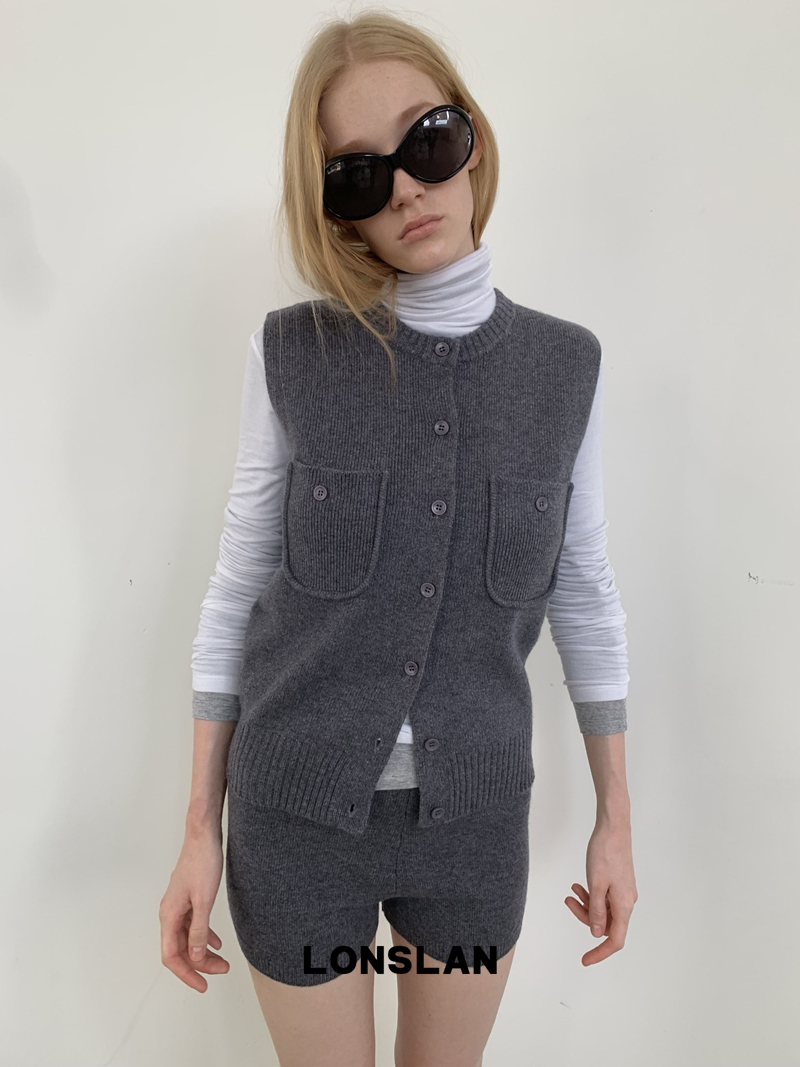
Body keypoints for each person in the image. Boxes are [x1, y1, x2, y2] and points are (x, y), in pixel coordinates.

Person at [160, 9, 637, 1066]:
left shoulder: (565, 369)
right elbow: (235, 588)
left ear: (472, 139)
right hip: (293, 822)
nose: (408, 190)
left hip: (473, 828)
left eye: (427, 141)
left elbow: (584, 591)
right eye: (359, 175)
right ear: (334, 211)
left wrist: (615, 818)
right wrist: (197, 827)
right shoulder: (291, 354)